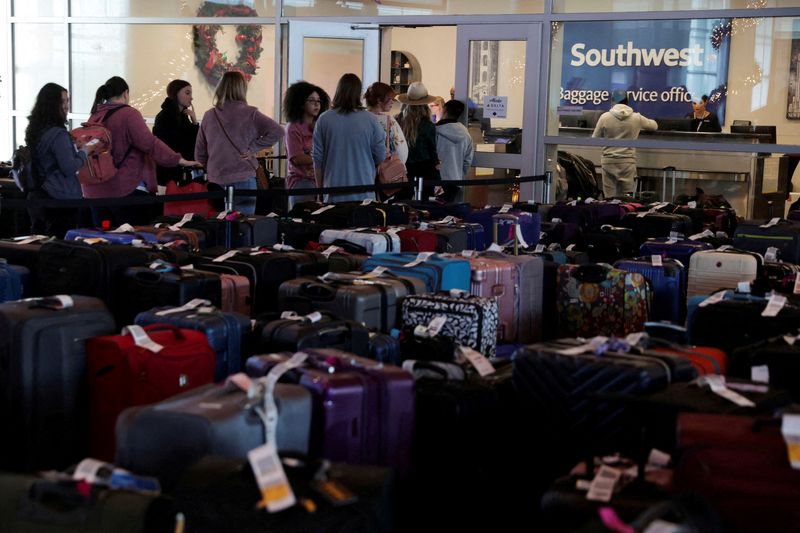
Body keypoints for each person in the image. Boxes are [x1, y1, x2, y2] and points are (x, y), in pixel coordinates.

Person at [83, 76, 199, 227]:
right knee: (131, 239)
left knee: (103, 241)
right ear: (126, 93)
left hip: (94, 191)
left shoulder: (95, 115)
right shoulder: (128, 114)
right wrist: (179, 160)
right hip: (122, 189)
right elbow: (150, 144)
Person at [195, 71, 284, 215]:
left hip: (216, 180)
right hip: (244, 177)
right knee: (244, 225)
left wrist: (212, 167)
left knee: (219, 225)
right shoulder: (250, 113)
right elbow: (278, 131)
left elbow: (199, 153)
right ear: (242, 88)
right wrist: (253, 148)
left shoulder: (209, 116)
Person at [24, 83, 96, 237]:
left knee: (38, 241)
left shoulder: (36, 129)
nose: (66, 106)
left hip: (38, 194)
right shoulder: (59, 134)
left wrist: (72, 146)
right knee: (58, 245)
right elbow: (69, 167)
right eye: (62, 102)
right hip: (60, 197)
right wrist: (84, 151)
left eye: (67, 101)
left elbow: (47, 156)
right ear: (52, 105)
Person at [312, 73, 385, 203]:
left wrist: (320, 191)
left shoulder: (324, 119)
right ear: (358, 93)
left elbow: (317, 159)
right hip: (364, 191)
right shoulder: (371, 120)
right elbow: (380, 156)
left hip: (332, 191)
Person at [592, 89, 657, 198]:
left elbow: (594, 138)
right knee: (627, 198)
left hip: (608, 161)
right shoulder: (637, 118)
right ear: (627, 102)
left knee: (609, 198)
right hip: (627, 162)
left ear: (612, 101)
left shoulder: (605, 117)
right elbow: (654, 126)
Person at [282, 81, 330, 209]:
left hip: (321, 179)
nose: (316, 104)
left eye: (319, 101)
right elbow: (297, 158)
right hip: (301, 180)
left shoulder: (321, 125)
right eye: (311, 100)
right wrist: (323, 156)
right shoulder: (293, 127)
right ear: (301, 103)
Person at [364, 81, 408, 200]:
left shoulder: (360, 119)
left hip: (363, 171)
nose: (393, 102)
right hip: (385, 173)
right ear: (379, 100)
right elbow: (401, 150)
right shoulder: (389, 121)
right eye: (390, 99)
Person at [396, 81, 440, 198]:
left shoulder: (397, 120)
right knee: (424, 203)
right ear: (425, 105)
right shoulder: (428, 125)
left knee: (402, 201)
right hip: (425, 168)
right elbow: (432, 151)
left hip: (402, 167)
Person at [153, 79, 201, 187]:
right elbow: (173, 146)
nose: (191, 97)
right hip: (167, 175)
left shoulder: (184, 117)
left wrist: (194, 122)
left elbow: (194, 144)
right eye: (187, 93)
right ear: (176, 93)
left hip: (184, 172)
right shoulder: (163, 117)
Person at [435, 99, 474, 202]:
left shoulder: (435, 131)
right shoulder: (466, 134)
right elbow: (467, 160)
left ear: (445, 110)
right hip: (455, 179)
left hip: (437, 180)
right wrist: (460, 174)